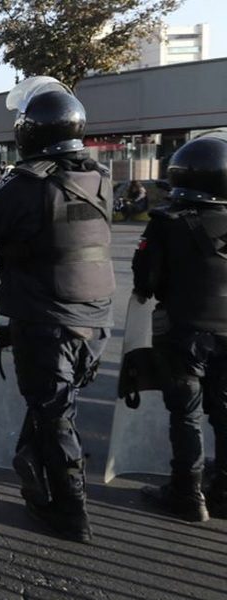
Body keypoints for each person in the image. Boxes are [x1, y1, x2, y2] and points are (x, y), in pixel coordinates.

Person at [0, 76, 114, 542]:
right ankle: (41, 481)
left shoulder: (28, 183)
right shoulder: (99, 178)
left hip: (47, 319)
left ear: (31, 131)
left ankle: (71, 511)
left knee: (54, 414)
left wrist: (10, 178)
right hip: (94, 320)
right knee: (59, 407)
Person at [131, 134, 227, 522]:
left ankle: (187, 493)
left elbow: (146, 282)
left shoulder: (167, 222)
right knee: (224, 410)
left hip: (185, 332)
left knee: (185, 413)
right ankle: (223, 491)